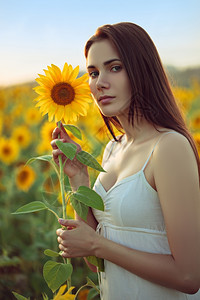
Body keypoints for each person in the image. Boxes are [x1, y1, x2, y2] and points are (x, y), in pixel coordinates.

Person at [51, 22, 200, 299]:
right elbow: (95, 261)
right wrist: (79, 178)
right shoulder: (112, 150)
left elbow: (190, 276)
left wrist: (97, 245)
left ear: (142, 70)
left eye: (115, 67)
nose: (100, 82)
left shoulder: (168, 147)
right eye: (93, 73)